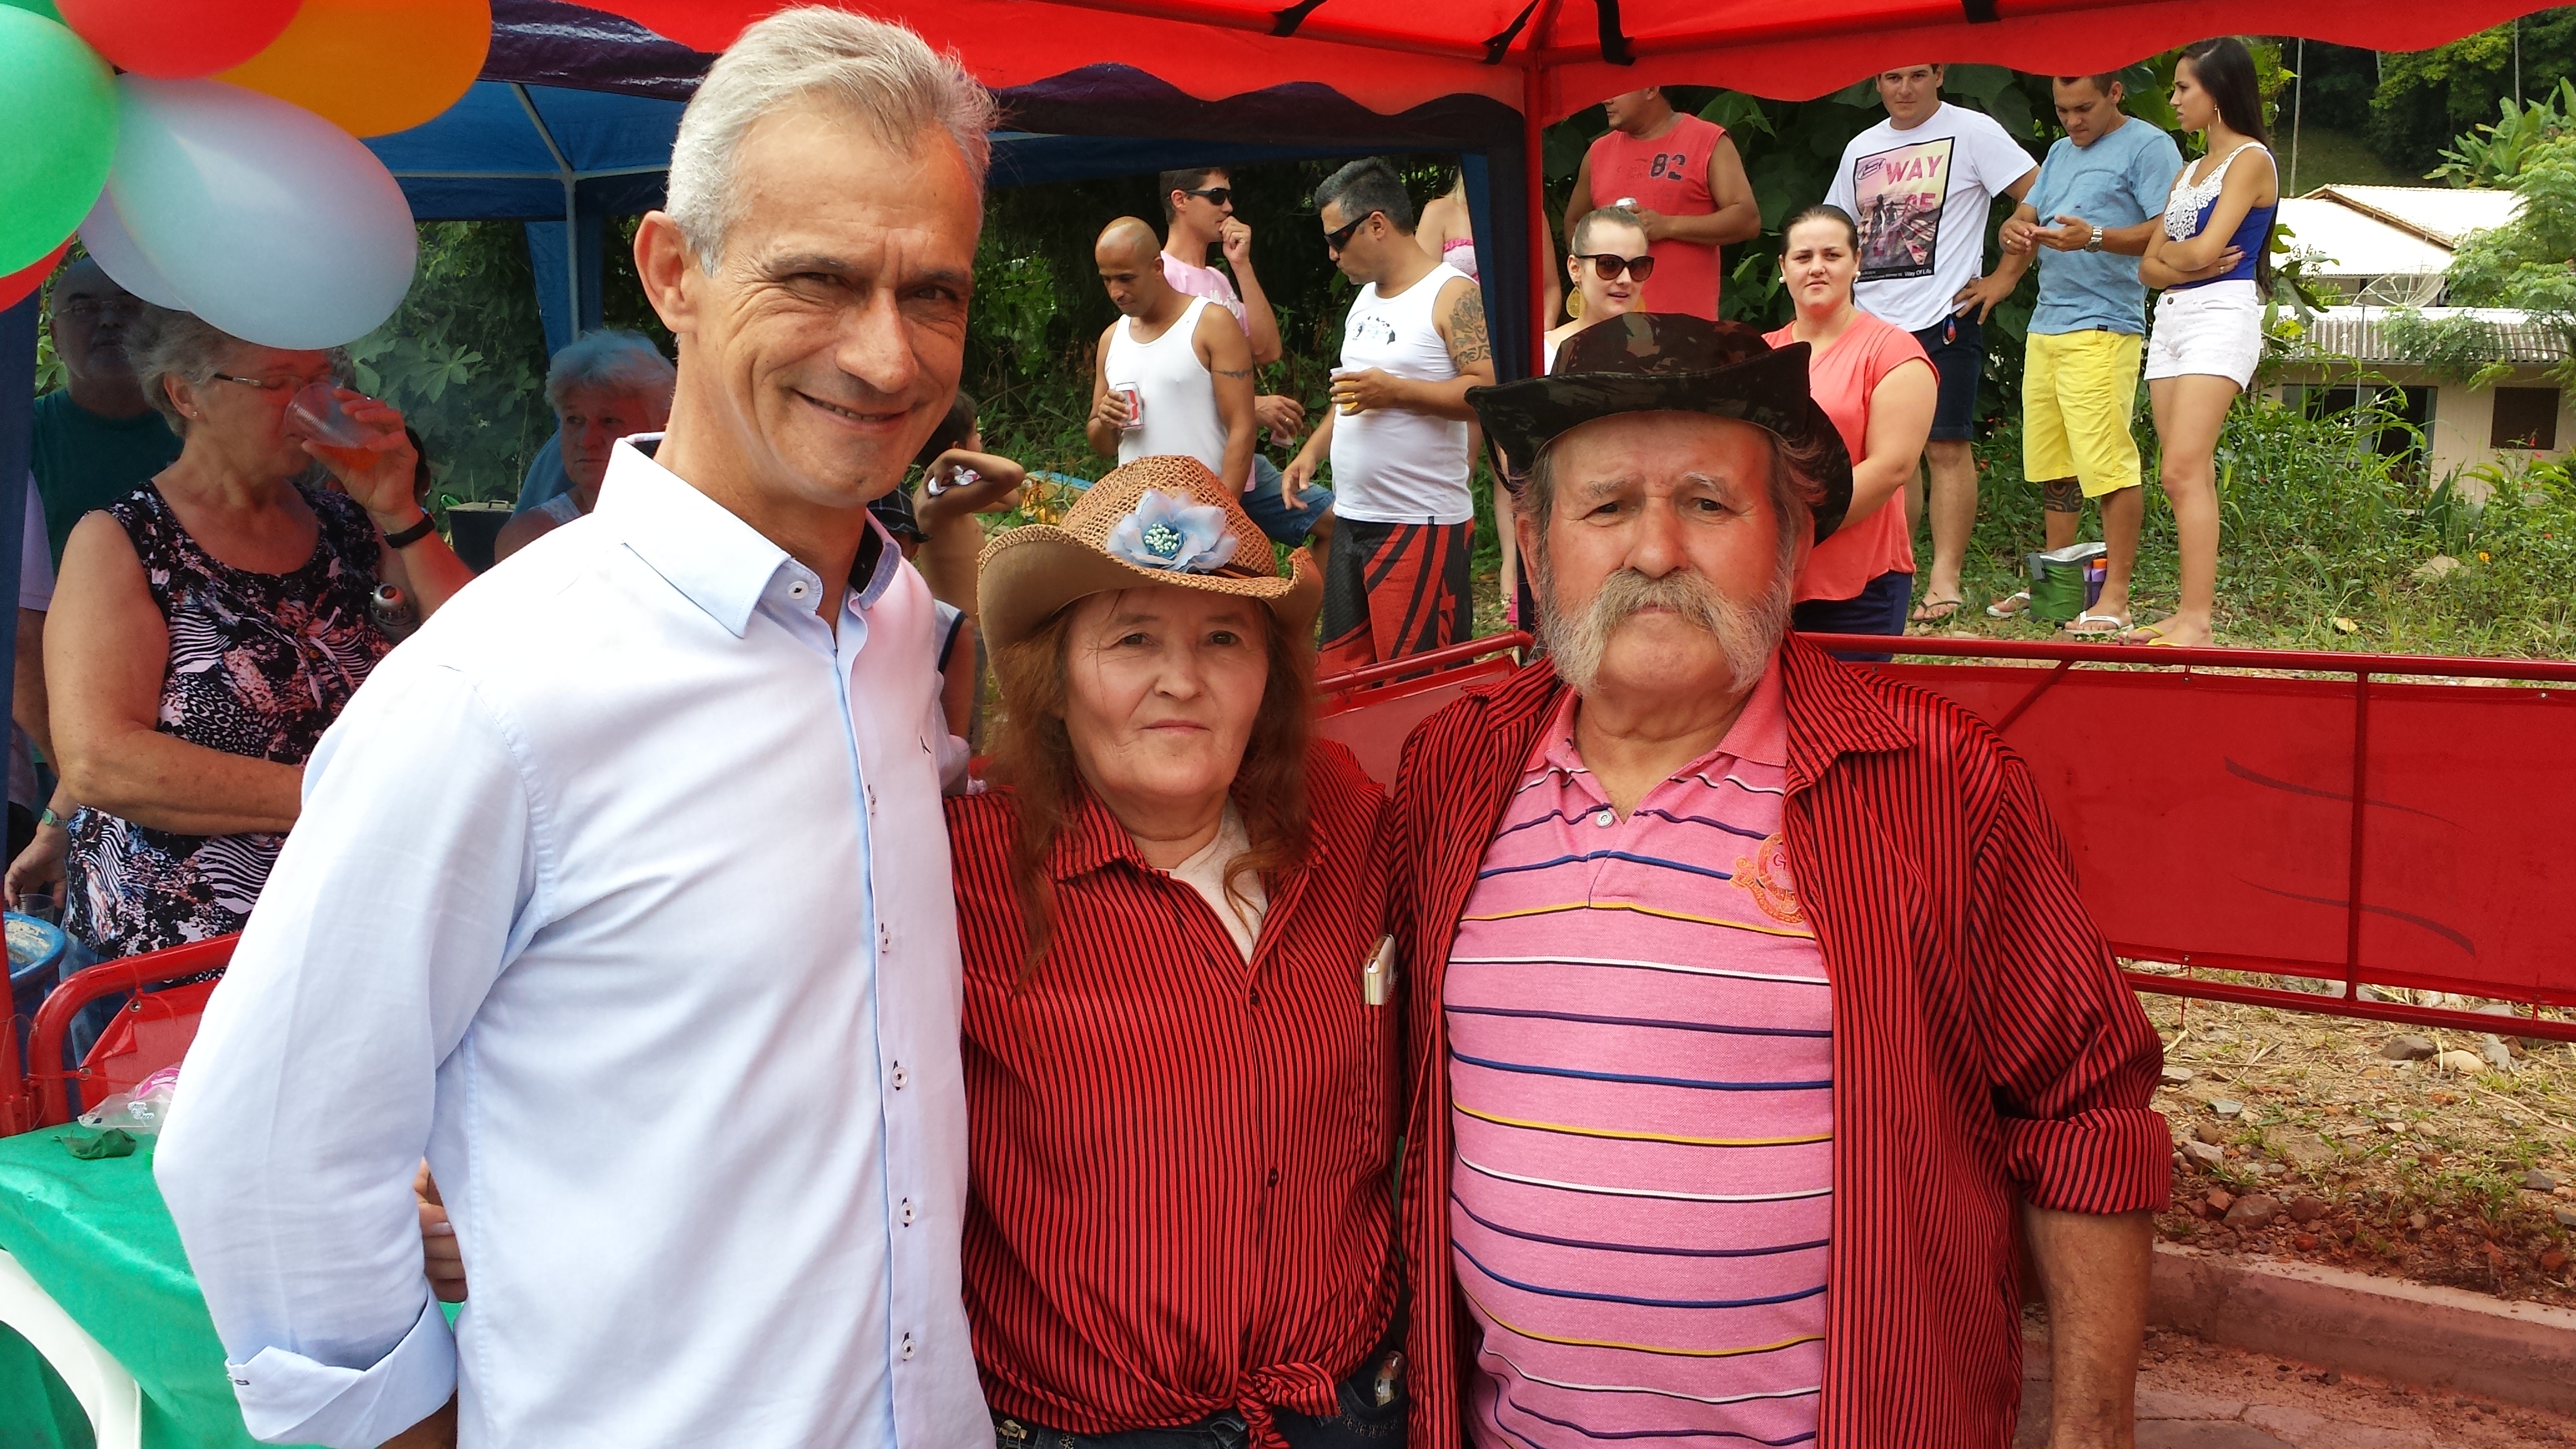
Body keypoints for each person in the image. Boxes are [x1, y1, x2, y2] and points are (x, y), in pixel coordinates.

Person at [153, 13, 996, 1449]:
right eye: (818, 278)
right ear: (673, 269)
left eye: (933, 292)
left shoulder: (893, 619)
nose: (885, 352)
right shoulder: (494, 689)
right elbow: (261, 1159)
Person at [423, 457, 1403, 1448]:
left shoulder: (1352, 824)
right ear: (1054, 683)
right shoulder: (948, 871)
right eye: (1133, 638)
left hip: (1348, 1409)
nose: (1181, 680)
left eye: (1224, 638)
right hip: (1087, 1431)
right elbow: (730, 1047)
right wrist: (491, 1183)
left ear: (1269, 676)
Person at [1393, 311, 2168, 1449]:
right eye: (1606, 507)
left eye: (1708, 504)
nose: (1655, 552)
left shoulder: (1934, 783)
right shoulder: (1452, 771)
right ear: (1532, 540)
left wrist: (2091, 1434)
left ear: (1794, 540)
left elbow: (2085, 1113)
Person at [42, 307, 474, 963]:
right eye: (277, 383)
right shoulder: (122, 540)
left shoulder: (350, 522)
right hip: (185, 955)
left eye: (320, 378)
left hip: (357, 924)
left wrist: (400, 512)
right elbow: (101, 762)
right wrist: (341, 794)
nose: (311, 404)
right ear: (185, 394)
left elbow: (483, 658)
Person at [1825, 64, 2039, 624]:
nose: (1905, 88)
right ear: (1875, 82)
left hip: (1945, 314)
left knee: (1946, 448)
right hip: (1871, 322)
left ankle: (1946, 579)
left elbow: (2040, 192)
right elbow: (1837, 229)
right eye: (1892, 77)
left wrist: (2005, 278)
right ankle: (1893, 569)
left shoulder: (1972, 130)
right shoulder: (1860, 147)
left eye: (1918, 75)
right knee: (1887, 456)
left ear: (1940, 75)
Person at [1984, 73, 2186, 635]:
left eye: (2085, 108)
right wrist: (2013, 231)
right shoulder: (2058, 151)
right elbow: (2027, 214)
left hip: (2104, 326)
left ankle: (2115, 598)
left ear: (2116, 93)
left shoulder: (2150, 146)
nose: (2073, 121)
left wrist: (2095, 237)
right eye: (2063, 110)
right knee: (2056, 465)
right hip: (2047, 325)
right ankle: (2058, 589)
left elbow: (2170, 231)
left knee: (2108, 465)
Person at [1287, 158, 1495, 675]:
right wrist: (1311, 452)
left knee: (1417, 684)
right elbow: (1353, 393)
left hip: (1419, 523)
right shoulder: (1365, 299)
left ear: (1376, 224)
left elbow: (1488, 389)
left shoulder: (1451, 293)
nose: (1332, 254)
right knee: (1346, 676)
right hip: (1354, 516)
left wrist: (1397, 392)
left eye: (1337, 239)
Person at [2130, 37, 2278, 650]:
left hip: (2221, 315)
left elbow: (2200, 251)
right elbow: (2148, 267)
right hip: (2172, 318)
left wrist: (2179, 259)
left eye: (2183, 88)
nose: (2173, 99)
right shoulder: (2188, 172)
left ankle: (2196, 621)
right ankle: (2189, 613)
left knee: (2183, 468)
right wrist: (2180, 261)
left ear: (2217, 92)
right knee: (2181, 476)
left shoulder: (2251, 160)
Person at [1766, 205, 1938, 654]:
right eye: (1803, 257)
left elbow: (1892, 467)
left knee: (1849, 703)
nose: (1817, 267)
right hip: (1764, 581)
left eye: (1832, 255)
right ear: (1783, 268)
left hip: (1860, 585)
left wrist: (1797, 527)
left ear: (1857, 262)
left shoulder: (1893, 350)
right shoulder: (1760, 355)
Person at [1158, 165, 1331, 555]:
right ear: (1180, 200)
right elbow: (1164, 380)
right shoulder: (1162, 278)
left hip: (1241, 461)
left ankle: (1299, 600)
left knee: (1336, 522)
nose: (1229, 207)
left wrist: (1241, 265)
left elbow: (1267, 350)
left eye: (1229, 196)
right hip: (1195, 469)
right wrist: (1251, 407)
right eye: (1217, 196)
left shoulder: (1216, 279)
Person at [1086, 215, 1258, 497]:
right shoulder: (1111, 339)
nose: (1116, 292)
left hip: (1202, 506)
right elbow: (1103, 447)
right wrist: (1106, 421)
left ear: (1157, 267)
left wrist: (1224, 510)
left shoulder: (1211, 324)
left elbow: (1243, 427)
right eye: (1107, 280)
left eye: (1126, 278)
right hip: (1134, 510)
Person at [32, 259, 182, 569]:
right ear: (55, 336)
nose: (109, 320)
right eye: (82, 309)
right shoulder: (21, 435)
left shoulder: (206, 429)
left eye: (127, 305)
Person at [1566, 86, 1759, 321]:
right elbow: (1575, 222)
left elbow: (1747, 219)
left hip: (1686, 329)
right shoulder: (1598, 152)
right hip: (1610, 329)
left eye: (1619, 88)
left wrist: (1667, 226)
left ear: (1650, 89)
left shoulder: (1707, 140)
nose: (1606, 98)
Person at [492, 329, 676, 561]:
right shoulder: (530, 539)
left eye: (609, 421)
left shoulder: (692, 521)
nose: (587, 440)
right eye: (574, 420)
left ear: (660, 427)